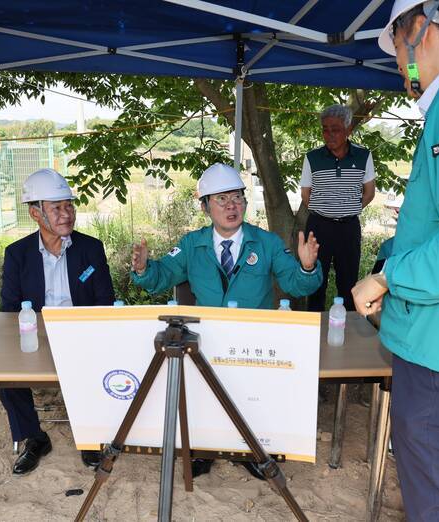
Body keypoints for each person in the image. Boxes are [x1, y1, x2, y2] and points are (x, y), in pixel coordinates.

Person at [352, 1, 439, 519]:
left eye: (395, 43)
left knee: (436, 505)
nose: (396, 60)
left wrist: (388, 277)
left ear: (419, 30)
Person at [131, 162, 323, 478]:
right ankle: (204, 449)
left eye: (237, 197)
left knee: (250, 397)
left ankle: (249, 451)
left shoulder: (267, 243)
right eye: (220, 199)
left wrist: (305, 267)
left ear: (246, 203)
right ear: (205, 206)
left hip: (252, 339)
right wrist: (142, 269)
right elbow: (161, 275)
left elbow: (296, 284)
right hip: (206, 339)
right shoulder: (193, 245)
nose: (231, 206)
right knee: (201, 395)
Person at [0, 168, 115, 475]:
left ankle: (90, 438)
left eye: (69, 206)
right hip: (35, 335)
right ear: (36, 213)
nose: (67, 215)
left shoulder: (90, 249)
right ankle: (35, 438)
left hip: (82, 335)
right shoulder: (18, 254)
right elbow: (10, 309)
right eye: (57, 208)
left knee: (96, 365)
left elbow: (105, 301)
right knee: (5, 378)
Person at [300, 104, 376, 312]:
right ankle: (313, 329)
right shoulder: (312, 157)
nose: (329, 134)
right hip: (319, 227)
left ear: (348, 129)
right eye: (325, 129)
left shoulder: (363, 156)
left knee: (348, 282)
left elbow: (369, 193)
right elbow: (306, 195)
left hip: (348, 228)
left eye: (335, 129)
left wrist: (346, 209)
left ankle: (347, 331)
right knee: (316, 282)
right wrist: (326, 211)